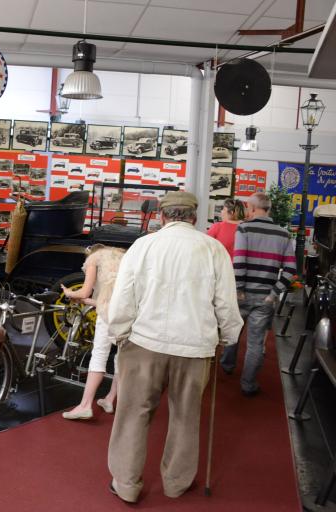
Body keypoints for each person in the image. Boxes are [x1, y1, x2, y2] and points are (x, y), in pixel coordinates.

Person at [106, 191, 243, 504]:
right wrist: (228, 335)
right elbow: (226, 302)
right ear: (194, 217)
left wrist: (119, 332)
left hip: (144, 343)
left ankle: (126, 484)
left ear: (161, 216)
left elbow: (123, 297)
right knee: (185, 416)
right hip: (195, 348)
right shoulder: (213, 248)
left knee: (132, 414)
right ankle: (176, 483)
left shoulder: (144, 245)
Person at [221, 191, 296, 396]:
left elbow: (239, 262)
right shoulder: (283, 234)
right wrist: (273, 294)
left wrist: (238, 289)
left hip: (242, 294)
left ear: (252, 208)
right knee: (256, 343)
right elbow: (290, 270)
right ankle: (248, 384)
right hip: (265, 298)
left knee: (233, 331)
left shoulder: (244, 228)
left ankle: (227, 365)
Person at [60, 244, 124, 420]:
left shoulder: (93, 259)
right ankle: (110, 399)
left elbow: (85, 290)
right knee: (121, 355)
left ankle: (85, 405)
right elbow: (110, 298)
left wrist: (70, 293)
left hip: (107, 314)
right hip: (127, 311)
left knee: (99, 354)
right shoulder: (122, 257)